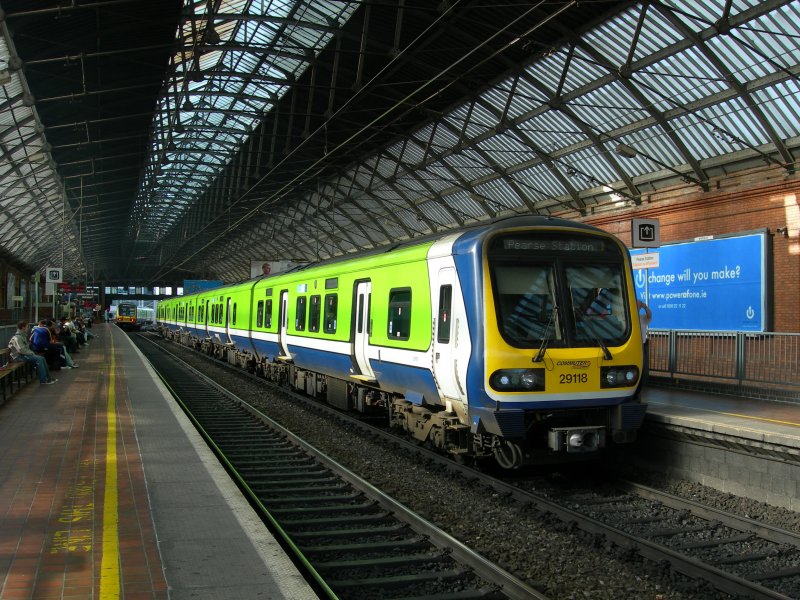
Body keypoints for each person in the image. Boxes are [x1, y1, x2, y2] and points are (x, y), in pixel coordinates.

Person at [8, 320, 57, 384]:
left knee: (42, 358)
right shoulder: (17, 337)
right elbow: (21, 350)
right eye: (27, 327)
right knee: (39, 359)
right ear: (23, 327)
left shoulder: (22, 336)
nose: (28, 329)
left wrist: (31, 353)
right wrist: (32, 353)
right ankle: (43, 380)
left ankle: (48, 378)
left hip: (23, 355)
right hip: (18, 357)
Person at [637, 299, 652, 385]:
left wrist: (645, 307)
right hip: (631, 344)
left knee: (641, 364)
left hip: (641, 344)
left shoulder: (643, 318)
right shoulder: (629, 317)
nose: (637, 306)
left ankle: (641, 382)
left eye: (639, 305)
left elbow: (650, 316)